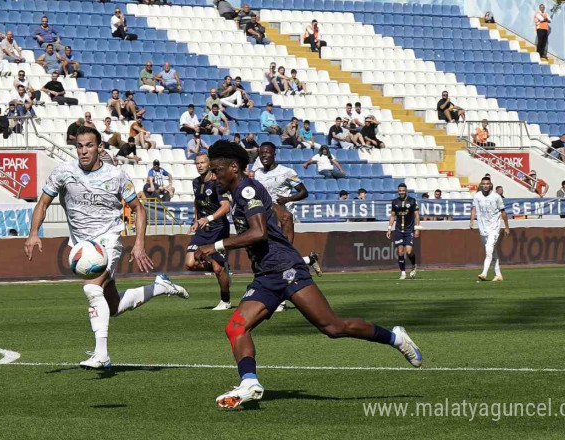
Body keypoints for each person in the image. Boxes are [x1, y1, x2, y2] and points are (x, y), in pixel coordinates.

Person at [197, 141, 422, 409]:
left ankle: (396, 338)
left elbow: (259, 232)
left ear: (234, 167)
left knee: (333, 328)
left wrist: (217, 246)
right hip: (267, 274)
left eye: (217, 169)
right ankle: (249, 382)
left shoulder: (246, 189)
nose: (213, 176)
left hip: (286, 269)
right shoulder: (242, 193)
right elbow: (278, 218)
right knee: (236, 327)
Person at [24, 126, 189, 369]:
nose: (83, 151)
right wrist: (33, 233)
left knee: (91, 289)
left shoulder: (116, 175)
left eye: (89, 145)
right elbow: (44, 202)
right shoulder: (63, 172)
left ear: (99, 147)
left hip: (107, 241)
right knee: (111, 307)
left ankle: (102, 353)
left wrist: (139, 244)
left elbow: (138, 208)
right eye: (79, 146)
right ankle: (159, 287)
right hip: (81, 245)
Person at [251, 142, 321, 284]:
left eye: (267, 152)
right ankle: (308, 260)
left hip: (284, 217)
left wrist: (287, 199)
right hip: (266, 218)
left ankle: (282, 297)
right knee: (276, 255)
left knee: (282, 254)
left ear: (274, 154)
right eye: (261, 152)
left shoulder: (286, 172)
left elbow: (304, 192)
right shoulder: (257, 174)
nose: (264, 155)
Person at [185, 154, 233, 310]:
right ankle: (220, 267)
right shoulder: (195, 182)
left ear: (209, 164)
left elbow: (226, 206)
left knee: (218, 270)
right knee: (190, 263)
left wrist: (209, 218)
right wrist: (195, 220)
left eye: (202, 162)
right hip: (203, 230)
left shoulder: (217, 184)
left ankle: (225, 301)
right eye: (197, 163)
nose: (199, 165)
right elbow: (197, 202)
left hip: (219, 229)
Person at [470, 176, 509, 281]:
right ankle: (498, 275)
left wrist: (506, 227)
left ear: (491, 185)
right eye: (484, 184)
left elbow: (503, 212)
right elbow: (474, 208)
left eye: (488, 184)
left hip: (494, 227)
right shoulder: (477, 196)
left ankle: (484, 273)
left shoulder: (496, 197)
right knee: (493, 252)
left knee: (488, 250)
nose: (486, 186)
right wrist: (471, 220)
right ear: (481, 185)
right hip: (483, 227)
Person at [387, 183, 420, 280]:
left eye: (403, 190)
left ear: (406, 191)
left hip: (409, 230)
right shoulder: (395, 202)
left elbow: (417, 215)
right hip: (398, 230)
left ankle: (414, 265)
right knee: (400, 252)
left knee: (409, 252)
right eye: (400, 190)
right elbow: (393, 216)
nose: (401, 192)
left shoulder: (412, 201)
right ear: (398, 191)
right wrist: (389, 228)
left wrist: (417, 228)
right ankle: (403, 273)